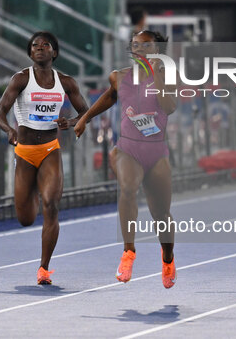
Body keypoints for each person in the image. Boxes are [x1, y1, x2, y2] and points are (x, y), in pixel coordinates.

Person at [74, 30, 177, 289]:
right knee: (128, 188)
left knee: (161, 214)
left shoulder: (167, 75)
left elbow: (169, 107)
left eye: (147, 45)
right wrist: (85, 118)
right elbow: (109, 97)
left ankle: (167, 258)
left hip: (156, 152)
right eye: (136, 45)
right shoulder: (120, 77)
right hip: (128, 149)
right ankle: (128, 252)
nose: (140, 49)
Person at [0, 31, 88, 285]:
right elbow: (0, 112)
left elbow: (85, 111)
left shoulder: (66, 82)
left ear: (54, 52)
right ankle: (35, 186)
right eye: (35, 45)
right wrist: (9, 130)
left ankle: (44, 268)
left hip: (49, 149)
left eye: (45, 45)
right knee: (25, 219)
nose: (39, 48)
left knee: (51, 205)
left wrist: (71, 121)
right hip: (24, 152)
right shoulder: (21, 79)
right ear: (29, 52)